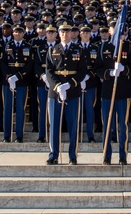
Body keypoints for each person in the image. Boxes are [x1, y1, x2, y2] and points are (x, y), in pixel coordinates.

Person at [45, 21, 86, 165]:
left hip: (72, 90)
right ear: (58, 34)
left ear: (72, 33)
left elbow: (82, 71)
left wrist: (69, 84)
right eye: (62, 32)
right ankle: (53, 154)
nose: (65, 34)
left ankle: (72, 155)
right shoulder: (52, 50)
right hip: (55, 93)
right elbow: (49, 72)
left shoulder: (78, 50)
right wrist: (57, 86)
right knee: (54, 124)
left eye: (67, 31)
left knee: (73, 124)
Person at [99, 24, 131, 165]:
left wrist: (124, 69)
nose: (118, 31)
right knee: (107, 124)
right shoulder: (104, 46)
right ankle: (107, 155)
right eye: (115, 28)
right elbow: (98, 68)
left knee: (123, 125)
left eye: (121, 29)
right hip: (108, 91)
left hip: (124, 91)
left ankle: (123, 155)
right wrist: (109, 73)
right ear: (110, 31)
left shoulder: (129, 47)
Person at [0, 24, 33, 143]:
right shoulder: (7, 46)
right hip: (8, 81)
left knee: (20, 108)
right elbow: (2, 63)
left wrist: (18, 76)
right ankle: (6, 135)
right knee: (7, 108)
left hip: (22, 81)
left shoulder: (28, 47)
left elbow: (29, 64)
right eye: (16, 31)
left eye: (20, 32)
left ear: (23, 33)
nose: (18, 34)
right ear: (13, 33)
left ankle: (19, 135)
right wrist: (9, 77)